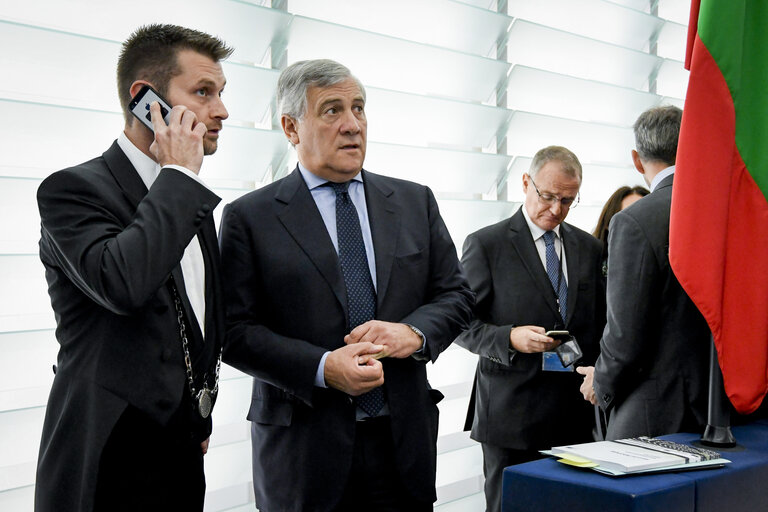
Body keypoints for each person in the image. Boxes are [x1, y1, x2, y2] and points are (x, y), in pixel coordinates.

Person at [218, 59, 474, 512]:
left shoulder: (415, 201)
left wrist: (412, 333)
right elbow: (234, 332)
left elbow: (456, 296)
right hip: (303, 453)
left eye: (359, 108)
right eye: (332, 110)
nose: (353, 124)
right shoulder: (249, 218)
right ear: (291, 128)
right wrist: (322, 367)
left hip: (402, 447)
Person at [34, 24, 232, 512]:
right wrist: (179, 175)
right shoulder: (71, 191)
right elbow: (124, 283)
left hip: (181, 459)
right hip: (103, 461)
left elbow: (199, 321)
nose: (222, 111)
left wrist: (198, 419)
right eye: (203, 92)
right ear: (146, 100)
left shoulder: (189, 202)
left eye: (222, 94)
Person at [456, 146, 606, 512]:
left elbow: (602, 323)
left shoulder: (589, 248)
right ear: (526, 182)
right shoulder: (486, 244)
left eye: (568, 200)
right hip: (510, 417)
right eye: (549, 196)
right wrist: (508, 337)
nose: (556, 209)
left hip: (574, 416)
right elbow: (459, 323)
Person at [578, 105, 710, 440]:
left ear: (638, 160)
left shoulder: (635, 221)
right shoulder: (733, 209)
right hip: (724, 408)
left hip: (653, 418)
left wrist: (601, 383)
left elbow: (625, 332)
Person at [592, 185, 650, 275]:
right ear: (608, 225)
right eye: (627, 218)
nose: (636, 224)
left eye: (643, 217)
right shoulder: (590, 268)